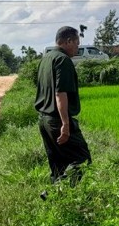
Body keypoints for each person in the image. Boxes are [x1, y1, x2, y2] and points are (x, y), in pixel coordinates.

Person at [35, 26, 91, 193]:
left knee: (58, 163)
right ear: (68, 41)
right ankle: (52, 193)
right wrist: (65, 124)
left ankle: (57, 200)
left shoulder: (46, 59)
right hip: (57, 120)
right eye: (76, 43)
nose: (77, 47)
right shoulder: (63, 60)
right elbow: (60, 94)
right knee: (82, 159)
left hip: (44, 120)